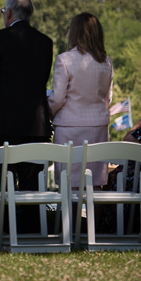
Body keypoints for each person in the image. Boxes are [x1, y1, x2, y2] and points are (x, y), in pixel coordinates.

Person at [0, 0, 53, 234]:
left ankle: (3, 230)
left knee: (3, 182)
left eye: (3, 12)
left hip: (5, 123)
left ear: (10, 13)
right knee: (33, 184)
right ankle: (32, 231)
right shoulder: (45, 42)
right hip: (36, 125)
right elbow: (42, 81)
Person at [48, 12, 113, 190]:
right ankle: (94, 219)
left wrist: (48, 112)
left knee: (69, 184)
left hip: (70, 128)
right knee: (96, 184)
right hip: (99, 126)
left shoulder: (65, 60)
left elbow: (57, 98)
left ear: (74, 32)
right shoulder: (106, 62)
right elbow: (108, 97)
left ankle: (71, 219)